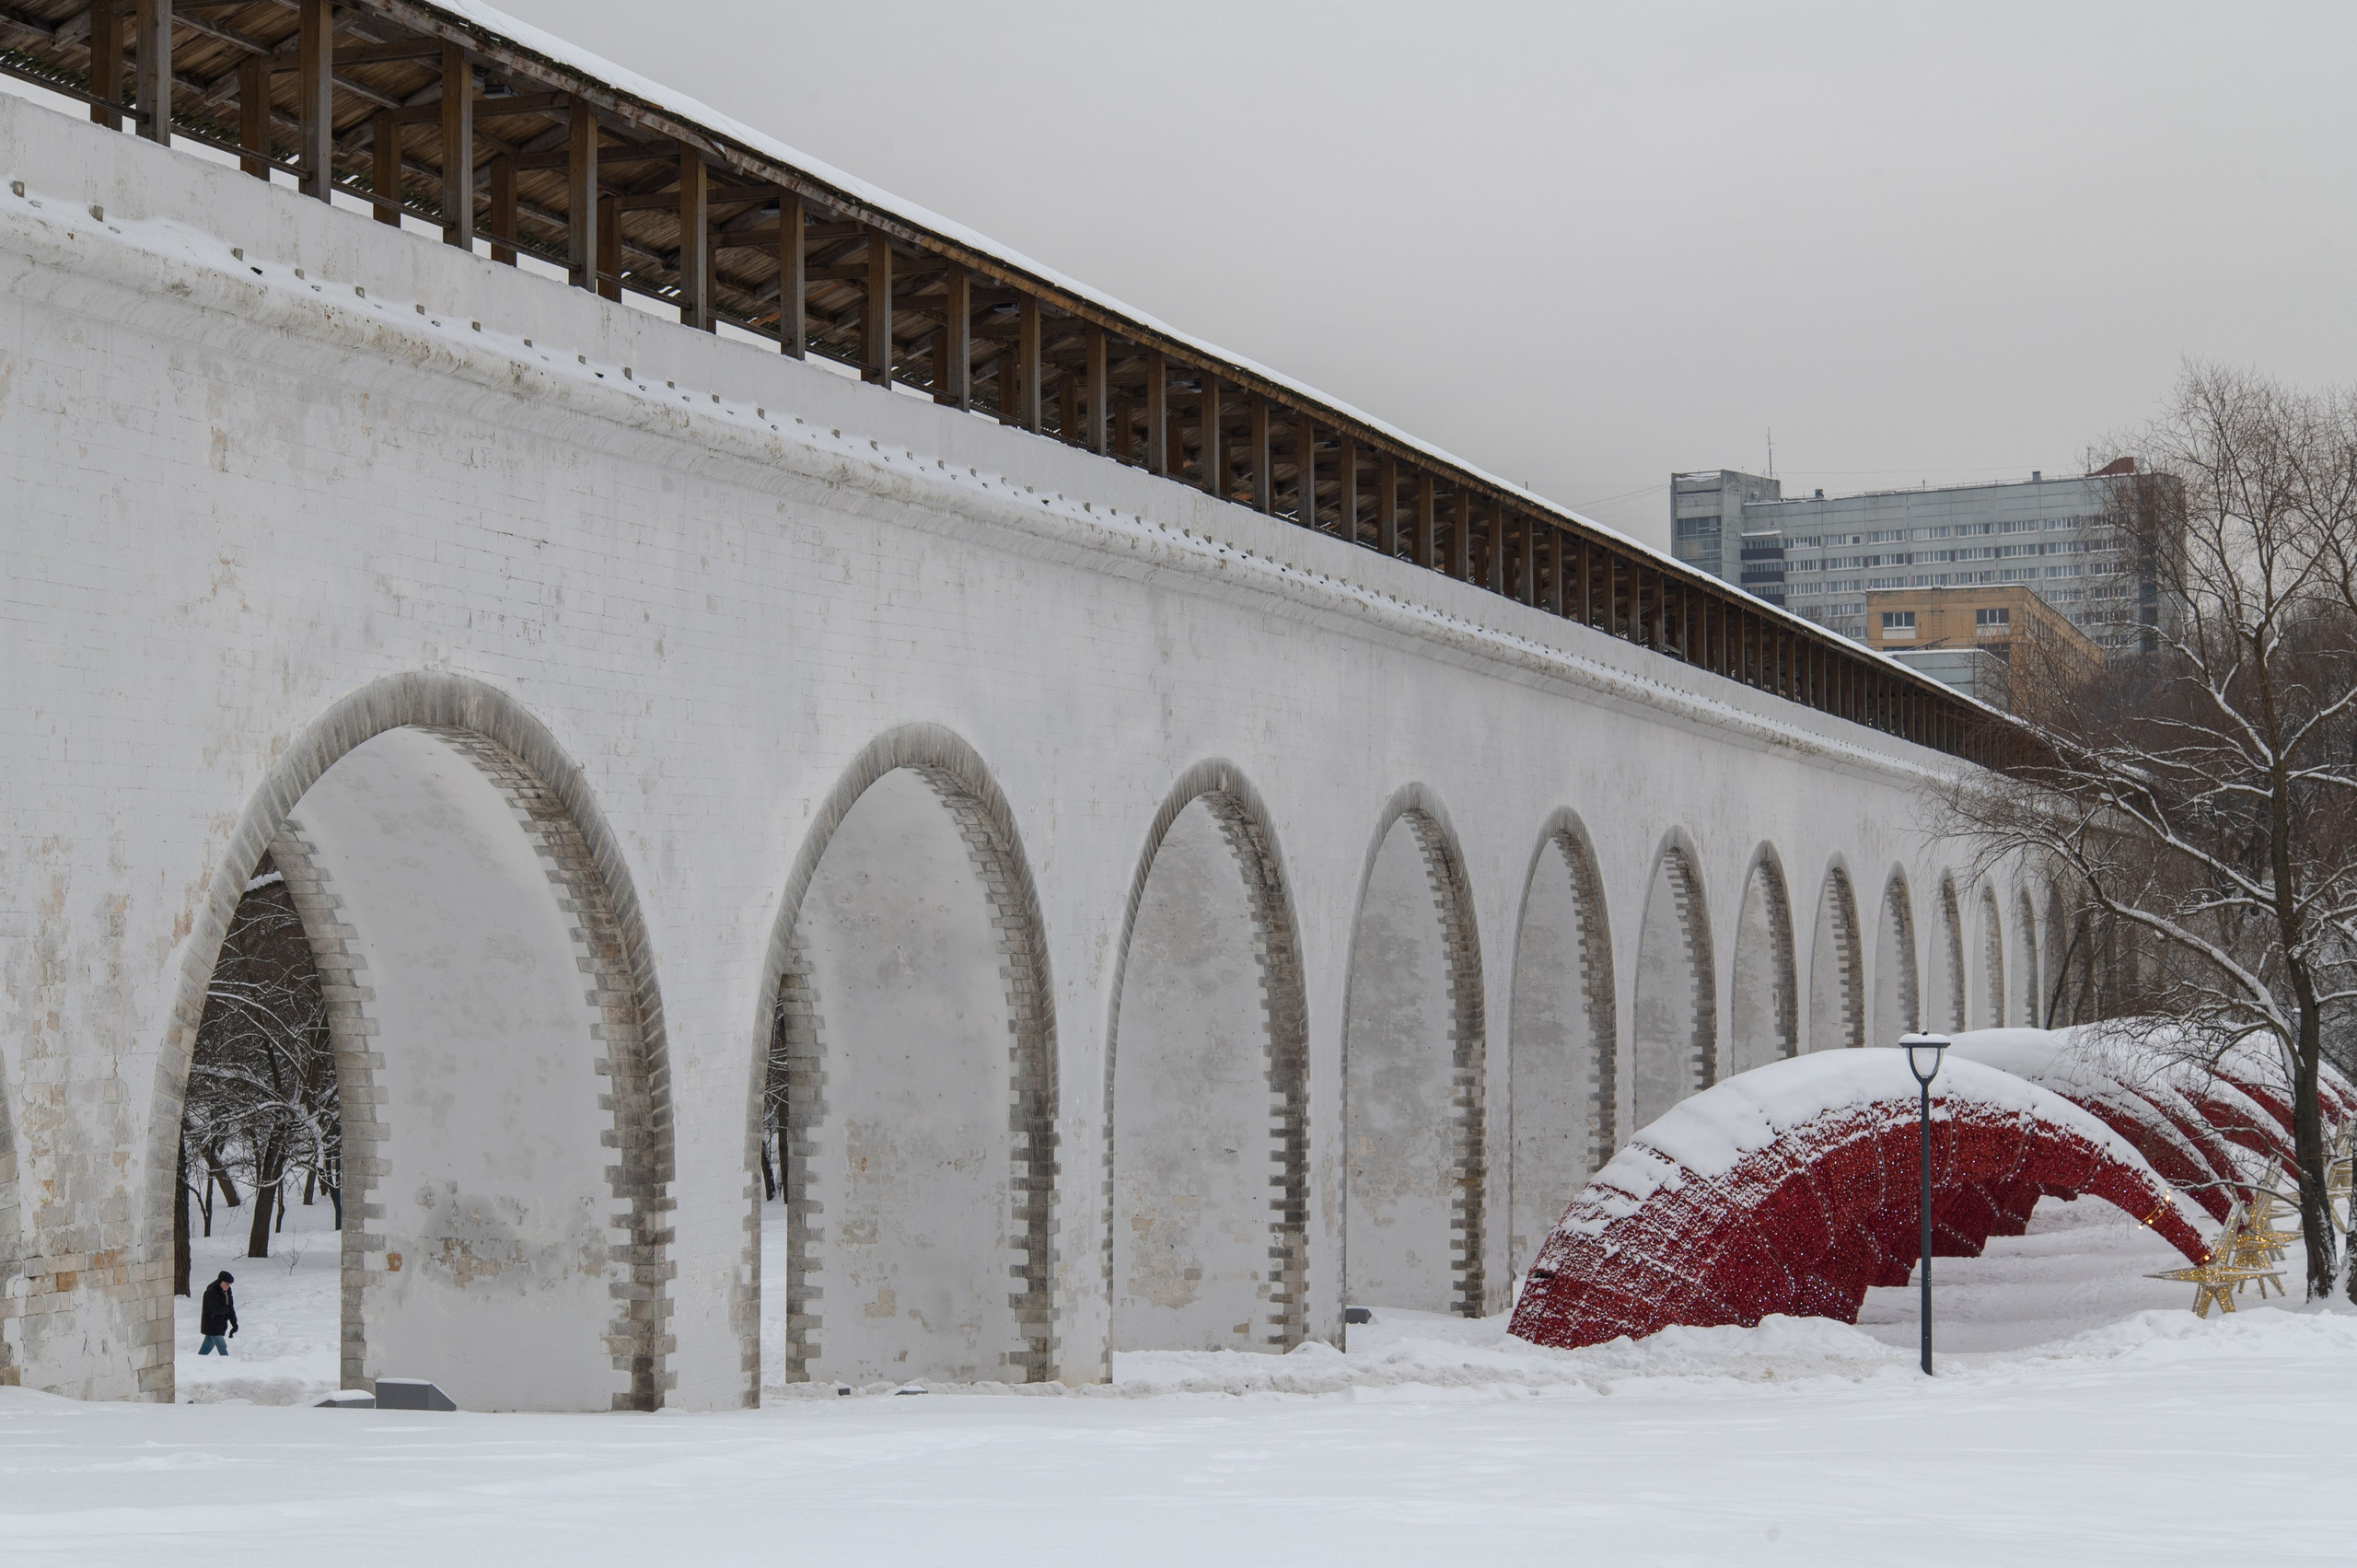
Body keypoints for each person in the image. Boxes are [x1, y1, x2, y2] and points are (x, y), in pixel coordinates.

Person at [199, 1270, 238, 1355]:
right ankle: (226, 1362)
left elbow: (231, 1308)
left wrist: (234, 1324)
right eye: (227, 1284)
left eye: (230, 1285)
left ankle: (198, 1360)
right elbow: (216, 1309)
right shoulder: (211, 1291)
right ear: (221, 1281)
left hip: (219, 1325)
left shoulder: (227, 1292)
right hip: (211, 1324)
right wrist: (227, 1310)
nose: (228, 1286)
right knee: (222, 1345)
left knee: (207, 1346)